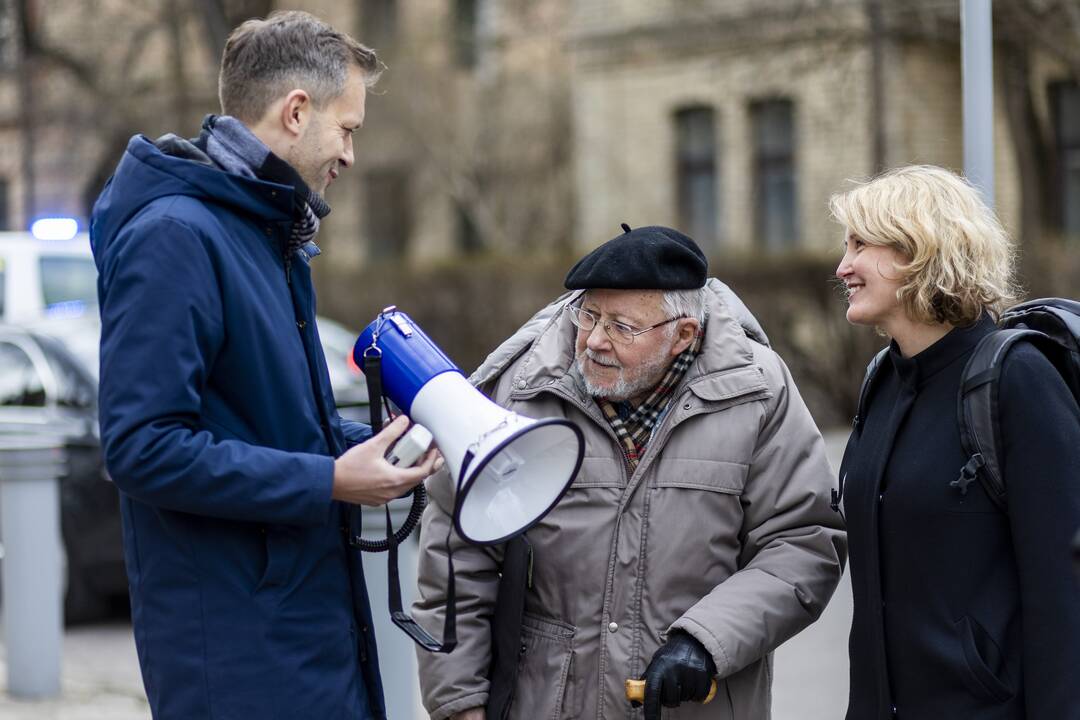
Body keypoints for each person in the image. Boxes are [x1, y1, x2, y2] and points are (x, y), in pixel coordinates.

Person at [91, 11, 438, 719]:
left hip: (294, 629)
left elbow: (261, 423)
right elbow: (140, 447)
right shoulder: (177, 238)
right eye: (348, 130)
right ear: (296, 111)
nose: (351, 154)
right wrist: (330, 480)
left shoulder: (261, 232)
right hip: (238, 651)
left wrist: (373, 449)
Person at [411, 225, 846, 720]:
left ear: (684, 335)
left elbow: (802, 542)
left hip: (694, 705)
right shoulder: (522, 390)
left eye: (623, 327)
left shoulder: (758, 392)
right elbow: (457, 553)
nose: (595, 340)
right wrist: (459, 702)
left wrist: (706, 641)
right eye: (588, 315)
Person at [832, 165, 1080, 719]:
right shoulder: (883, 380)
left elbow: (1063, 593)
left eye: (860, 244)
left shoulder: (1018, 378)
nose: (842, 266)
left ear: (919, 249)